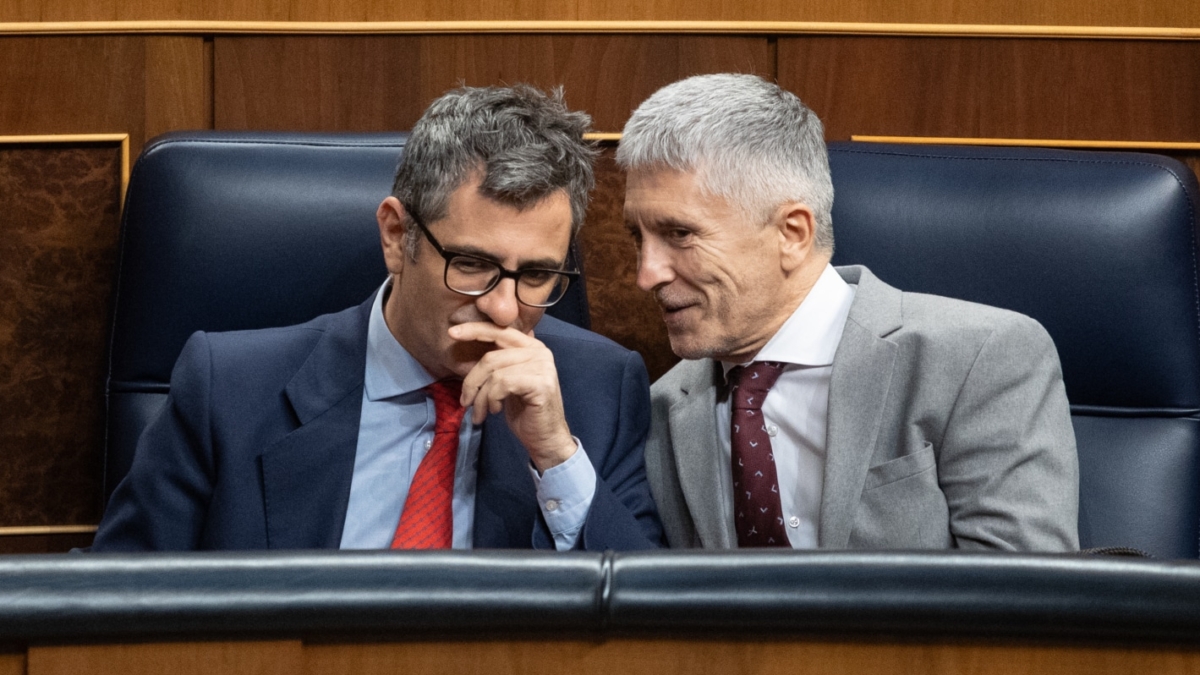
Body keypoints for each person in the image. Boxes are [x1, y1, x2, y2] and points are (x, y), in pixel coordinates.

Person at [93, 84, 662, 552]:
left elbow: (658, 631)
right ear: (396, 236)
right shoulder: (229, 390)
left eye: (536, 276)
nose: (505, 309)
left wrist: (557, 457)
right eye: (471, 264)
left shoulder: (598, 390)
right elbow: (117, 609)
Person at [617, 73, 1078, 551]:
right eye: (638, 238)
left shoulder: (979, 359)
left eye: (680, 235)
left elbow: (1025, 604)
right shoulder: (658, 409)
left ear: (792, 233)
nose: (646, 275)